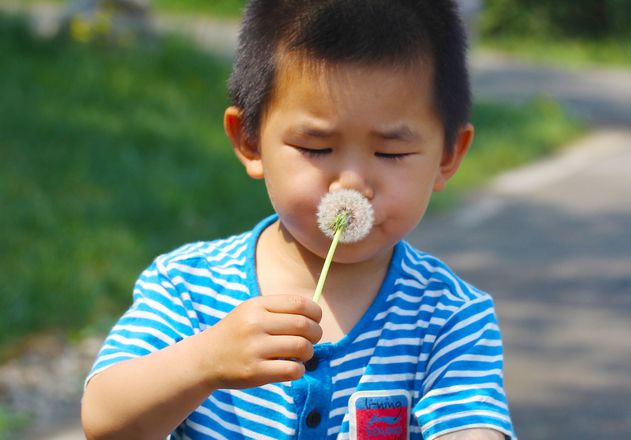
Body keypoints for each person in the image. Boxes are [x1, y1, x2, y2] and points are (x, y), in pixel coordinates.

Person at [81, 0, 515, 439]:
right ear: (250, 141)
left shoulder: (448, 316)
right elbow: (104, 422)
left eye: (391, 153)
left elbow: (473, 427)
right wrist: (203, 362)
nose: (351, 183)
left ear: (448, 156)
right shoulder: (188, 287)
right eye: (316, 148)